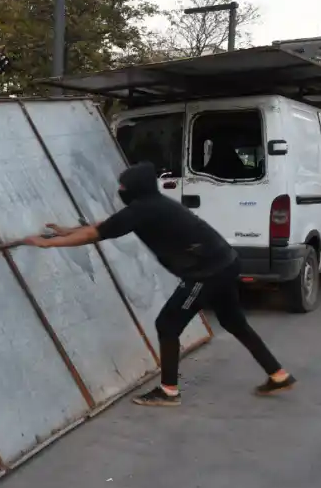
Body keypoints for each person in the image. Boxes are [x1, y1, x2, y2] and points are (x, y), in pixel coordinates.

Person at [21, 162, 296, 407]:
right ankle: (278, 374)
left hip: (206, 273)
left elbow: (96, 233)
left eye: (123, 185)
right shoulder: (153, 204)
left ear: (135, 187)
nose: (120, 189)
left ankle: (168, 391)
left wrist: (48, 243)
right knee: (234, 323)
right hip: (225, 262)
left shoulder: (142, 209)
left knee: (167, 324)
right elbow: (106, 224)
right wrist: (66, 230)